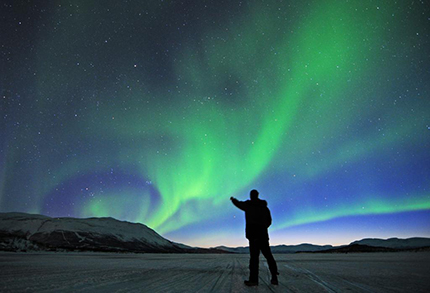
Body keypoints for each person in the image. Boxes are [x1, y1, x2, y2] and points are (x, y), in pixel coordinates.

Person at [230, 189, 279, 286]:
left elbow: (239, 204)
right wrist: (263, 228)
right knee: (268, 256)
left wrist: (233, 200)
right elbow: (269, 221)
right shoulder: (264, 207)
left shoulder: (249, 205)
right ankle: (274, 277)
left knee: (254, 259)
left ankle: (253, 280)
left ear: (252, 195)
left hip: (253, 236)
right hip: (263, 235)